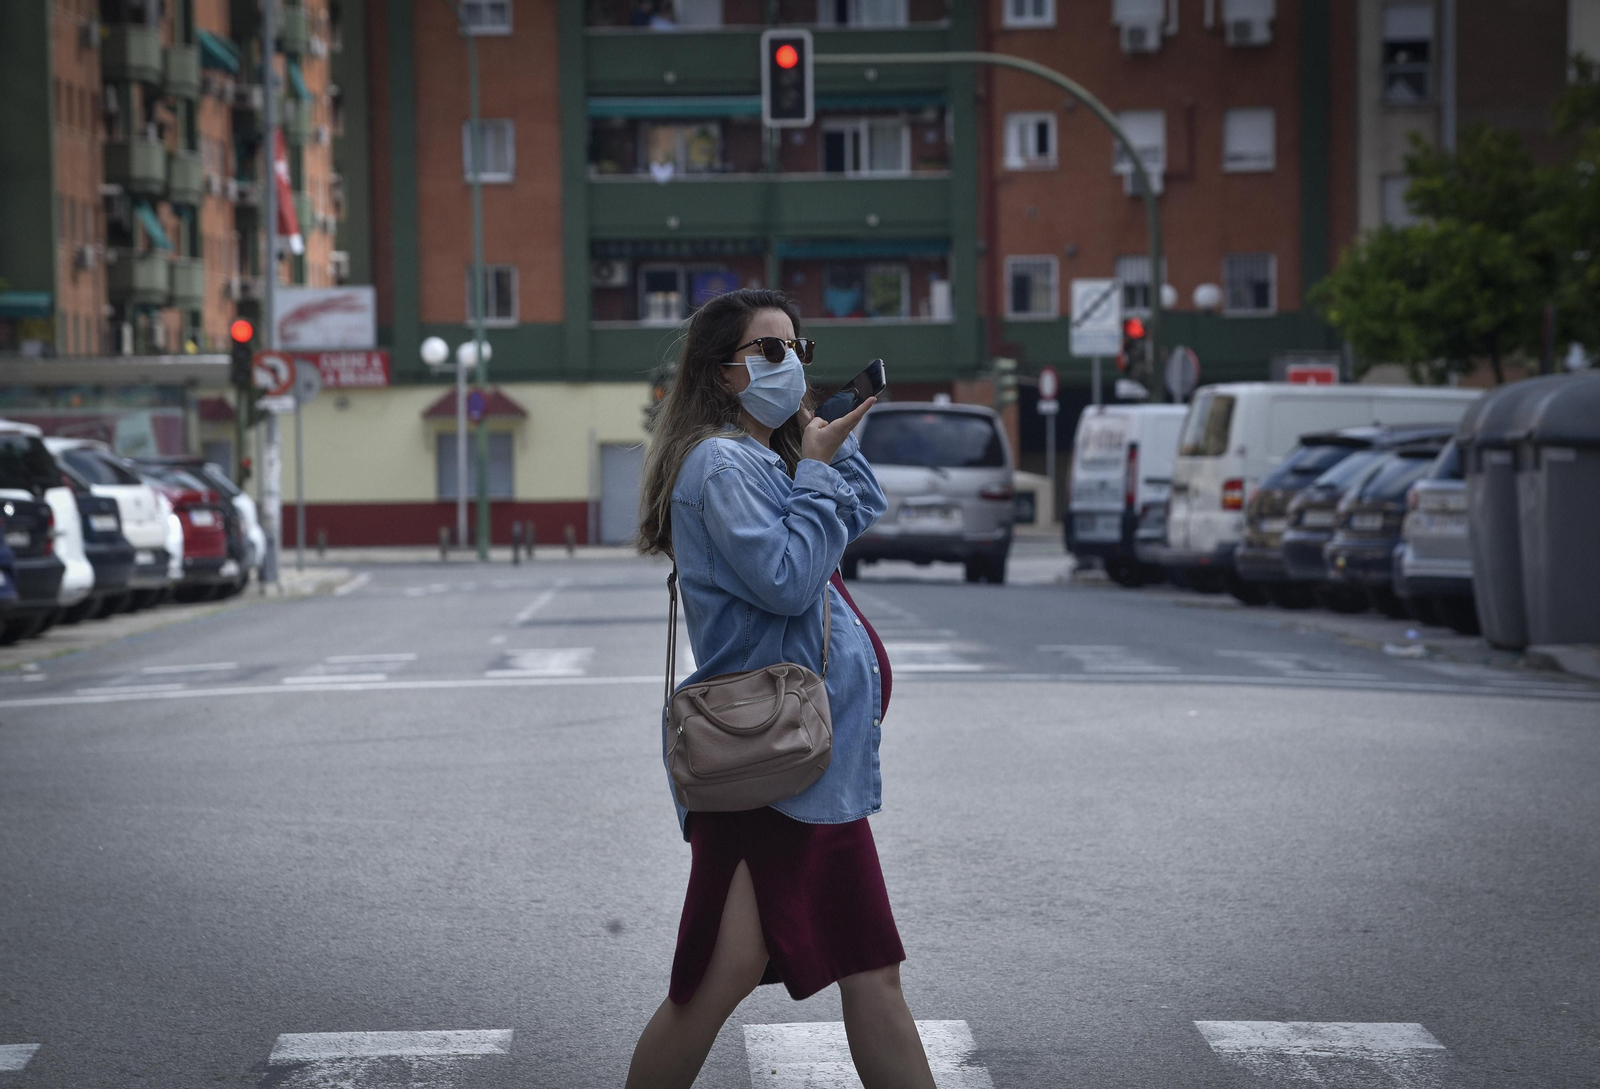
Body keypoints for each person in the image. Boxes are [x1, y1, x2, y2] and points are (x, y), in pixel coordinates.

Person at [629, 288, 935, 1089]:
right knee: (718, 980)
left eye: (797, 348)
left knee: (862, 972)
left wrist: (818, 433)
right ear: (720, 372)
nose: (789, 362)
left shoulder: (768, 455)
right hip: (771, 766)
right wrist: (816, 468)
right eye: (767, 351)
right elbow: (789, 579)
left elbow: (859, 505)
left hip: (811, 766)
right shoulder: (720, 463)